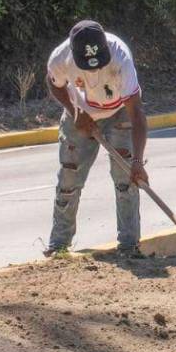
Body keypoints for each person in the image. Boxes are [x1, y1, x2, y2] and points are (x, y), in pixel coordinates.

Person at [45, 20, 149, 257]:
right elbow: (54, 83)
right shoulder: (61, 58)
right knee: (69, 177)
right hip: (80, 113)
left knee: (126, 179)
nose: (93, 70)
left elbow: (136, 112)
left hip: (119, 112)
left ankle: (129, 246)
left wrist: (137, 162)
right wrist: (75, 111)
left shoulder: (120, 57)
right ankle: (58, 246)